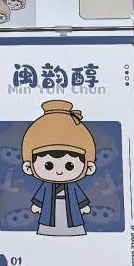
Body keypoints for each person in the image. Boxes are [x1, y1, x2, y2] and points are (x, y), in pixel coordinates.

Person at [22, 98, 96, 235]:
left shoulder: (72, 186)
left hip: (71, 212)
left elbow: (79, 197)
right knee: (49, 225)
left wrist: (82, 206)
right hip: (49, 213)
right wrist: (38, 205)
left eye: (69, 165)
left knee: (71, 223)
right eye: (48, 165)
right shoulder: (46, 186)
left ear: (89, 167)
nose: (59, 171)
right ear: (28, 167)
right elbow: (40, 197)